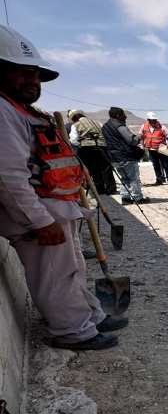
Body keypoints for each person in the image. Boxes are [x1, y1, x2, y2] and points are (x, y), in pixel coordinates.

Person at [0, 25, 126, 350]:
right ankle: (72, 331)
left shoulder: (22, 110)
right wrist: (40, 221)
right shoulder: (3, 113)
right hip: (37, 215)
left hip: (57, 207)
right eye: (22, 73)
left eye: (36, 75)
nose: (33, 81)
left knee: (72, 268)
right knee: (55, 275)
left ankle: (90, 317)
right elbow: (9, 176)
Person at [102, 107, 146, 204]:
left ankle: (125, 198)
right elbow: (132, 141)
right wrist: (140, 136)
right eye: (123, 114)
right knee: (133, 178)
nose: (125, 116)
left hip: (114, 157)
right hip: (126, 156)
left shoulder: (105, 126)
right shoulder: (120, 126)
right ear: (118, 115)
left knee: (124, 178)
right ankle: (137, 198)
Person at [69, 108, 117, 194]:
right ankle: (111, 188)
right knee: (106, 168)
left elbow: (73, 140)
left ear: (75, 117)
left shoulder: (75, 125)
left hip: (87, 148)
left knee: (93, 169)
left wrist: (81, 144)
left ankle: (100, 189)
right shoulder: (96, 122)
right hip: (101, 146)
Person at [139, 111, 168, 185]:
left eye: (155, 120)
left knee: (166, 165)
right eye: (152, 120)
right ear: (148, 120)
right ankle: (159, 180)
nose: (154, 121)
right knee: (156, 165)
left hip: (162, 148)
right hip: (151, 149)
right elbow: (141, 136)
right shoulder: (144, 126)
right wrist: (142, 145)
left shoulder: (162, 127)